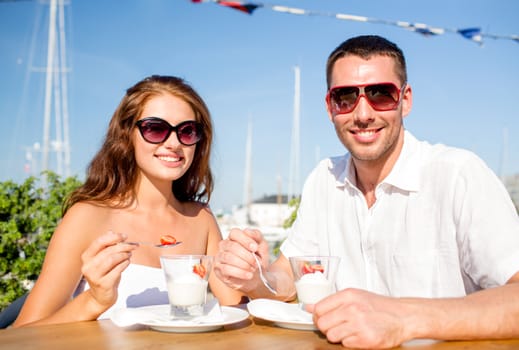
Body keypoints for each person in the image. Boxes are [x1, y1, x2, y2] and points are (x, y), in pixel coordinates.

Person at [214, 35, 519, 348]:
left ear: (406, 99)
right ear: (330, 106)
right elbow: (290, 279)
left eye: (380, 94)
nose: (362, 114)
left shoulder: (457, 174)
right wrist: (255, 278)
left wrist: (404, 318)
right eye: (345, 97)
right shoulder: (324, 180)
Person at [14, 75, 243, 327]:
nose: (175, 143)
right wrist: (95, 300)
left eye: (188, 131)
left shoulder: (201, 219)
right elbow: (22, 333)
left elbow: (235, 312)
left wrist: (249, 273)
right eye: (156, 129)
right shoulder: (87, 217)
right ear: (126, 134)